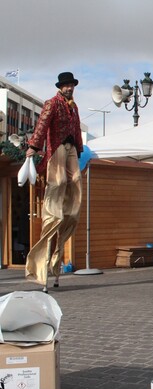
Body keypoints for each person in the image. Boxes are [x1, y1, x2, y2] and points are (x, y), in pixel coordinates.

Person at [25, 72, 83, 292]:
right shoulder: (52, 104)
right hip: (57, 149)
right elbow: (42, 125)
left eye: (71, 85)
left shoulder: (73, 107)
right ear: (61, 87)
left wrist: (79, 148)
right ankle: (42, 265)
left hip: (71, 150)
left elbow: (76, 129)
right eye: (66, 85)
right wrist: (34, 146)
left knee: (75, 181)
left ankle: (68, 211)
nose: (69, 88)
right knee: (57, 182)